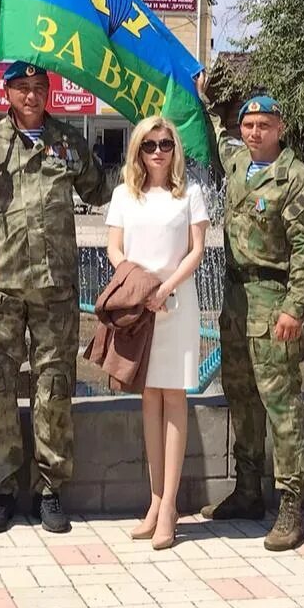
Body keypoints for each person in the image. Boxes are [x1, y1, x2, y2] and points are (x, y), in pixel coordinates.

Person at [0, 61, 109, 534]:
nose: (30, 95)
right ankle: (1, 489)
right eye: (21, 88)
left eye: (38, 87)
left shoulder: (67, 140)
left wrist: (104, 162)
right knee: (0, 388)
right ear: (7, 92)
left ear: (48, 92)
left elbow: (100, 191)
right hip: (1, 287)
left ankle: (50, 489)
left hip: (55, 289)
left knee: (54, 387)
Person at [198, 80, 304, 551]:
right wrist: (200, 95)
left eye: (263, 125)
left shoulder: (297, 180)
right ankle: (248, 489)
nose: (254, 132)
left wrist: (295, 308)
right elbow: (209, 132)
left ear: (281, 129)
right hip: (235, 302)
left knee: (281, 406)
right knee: (241, 397)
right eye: (248, 125)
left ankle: (291, 503)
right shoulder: (237, 165)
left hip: (274, 302)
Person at [106, 116, 209, 550]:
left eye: (166, 144)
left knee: (173, 397)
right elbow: (114, 248)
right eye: (149, 145)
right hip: (140, 307)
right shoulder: (123, 196)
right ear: (137, 151)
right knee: (148, 397)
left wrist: (163, 288)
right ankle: (154, 499)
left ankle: (170, 507)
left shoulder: (191, 194)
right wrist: (138, 287)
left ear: (175, 149)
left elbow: (197, 250)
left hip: (176, 305)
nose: (158, 152)